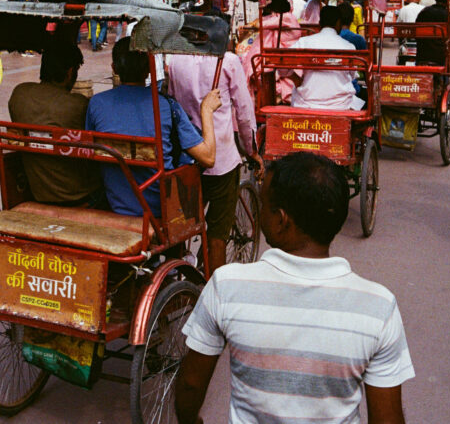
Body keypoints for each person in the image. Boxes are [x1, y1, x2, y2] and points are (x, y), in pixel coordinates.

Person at [175, 152, 414, 424]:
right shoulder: (379, 306)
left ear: (281, 219)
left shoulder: (226, 286)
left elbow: (191, 385)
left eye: (263, 205)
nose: (258, 211)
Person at [85, 38, 220, 217]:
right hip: (160, 209)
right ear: (148, 69)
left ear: (114, 68)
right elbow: (208, 158)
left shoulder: (96, 104)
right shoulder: (166, 106)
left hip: (114, 202)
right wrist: (207, 110)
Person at [167, 50, 259, 272]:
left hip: (188, 157)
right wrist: (251, 150)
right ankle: (213, 290)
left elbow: (172, 102)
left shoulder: (175, 59)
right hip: (220, 160)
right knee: (217, 234)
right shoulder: (228, 61)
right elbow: (244, 112)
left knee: (180, 227)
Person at [8, 42, 102, 205]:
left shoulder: (20, 94)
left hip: (39, 191)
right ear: (70, 73)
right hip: (79, 195)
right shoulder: (78, 105)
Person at [289, 5, 364, 111]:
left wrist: (297, 81)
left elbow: (282, 66)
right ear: (338, 23)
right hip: (341, 105)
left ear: (320, 22)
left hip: (306, 103)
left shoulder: (303, 42)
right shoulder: (348, 47)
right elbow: (352, 76)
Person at [414, 0, 450, 67]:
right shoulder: (448, 15)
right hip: (439, 56)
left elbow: (415, 31)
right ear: (449, 0)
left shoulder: (424, 12)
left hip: (422, 54)